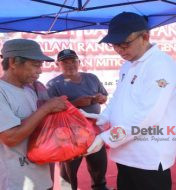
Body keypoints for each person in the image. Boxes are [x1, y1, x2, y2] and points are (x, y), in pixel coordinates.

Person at [86, 12, 176, 190]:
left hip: (148, 157)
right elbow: (118, 98)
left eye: (125, 44)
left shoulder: (160, 65)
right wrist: (102, 118)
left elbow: (148, 116)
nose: (120, 50)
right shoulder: (127, 65)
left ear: (145, 36)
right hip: (125, 154)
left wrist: (105, 137)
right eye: (115, 45)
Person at [0, 39, 67, 190]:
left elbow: (38, 127)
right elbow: (10, 138)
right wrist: (45, 109)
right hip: (16, 183)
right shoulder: (2, 91)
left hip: (42, 179)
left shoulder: (30, 91)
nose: (40, 71)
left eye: (40, 66)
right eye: (35, 65)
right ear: (13, 62)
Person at [46, 49, 109, 190]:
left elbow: (104, 96)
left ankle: (100, 186)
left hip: (94, 130)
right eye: (65, 62)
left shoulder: (92, 78)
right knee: (68, 172)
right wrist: (75, 104)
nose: (70, 65)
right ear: (58, 65)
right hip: (69, 133)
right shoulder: (53, 85)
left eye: (73, 61)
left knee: (99, 165)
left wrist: (100, 98)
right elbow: (49, 111)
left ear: (79, 62)